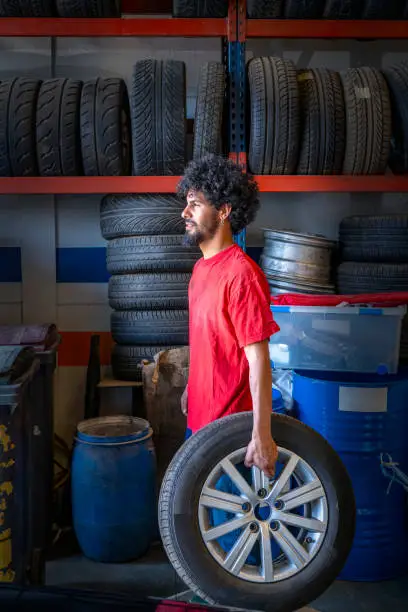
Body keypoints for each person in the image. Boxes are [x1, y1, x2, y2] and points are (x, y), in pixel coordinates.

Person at [178, 154, 279, 478]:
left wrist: (261, 434)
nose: (185, 212)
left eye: (195, 204)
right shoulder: (200, 269)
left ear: (224, 211)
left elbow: (259, 359)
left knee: (224, 527)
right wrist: (190, 387)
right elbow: (209, 340)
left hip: (229, 435)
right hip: (198, 423)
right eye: (186, 203)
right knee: (194, 524)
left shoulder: (241, 274)